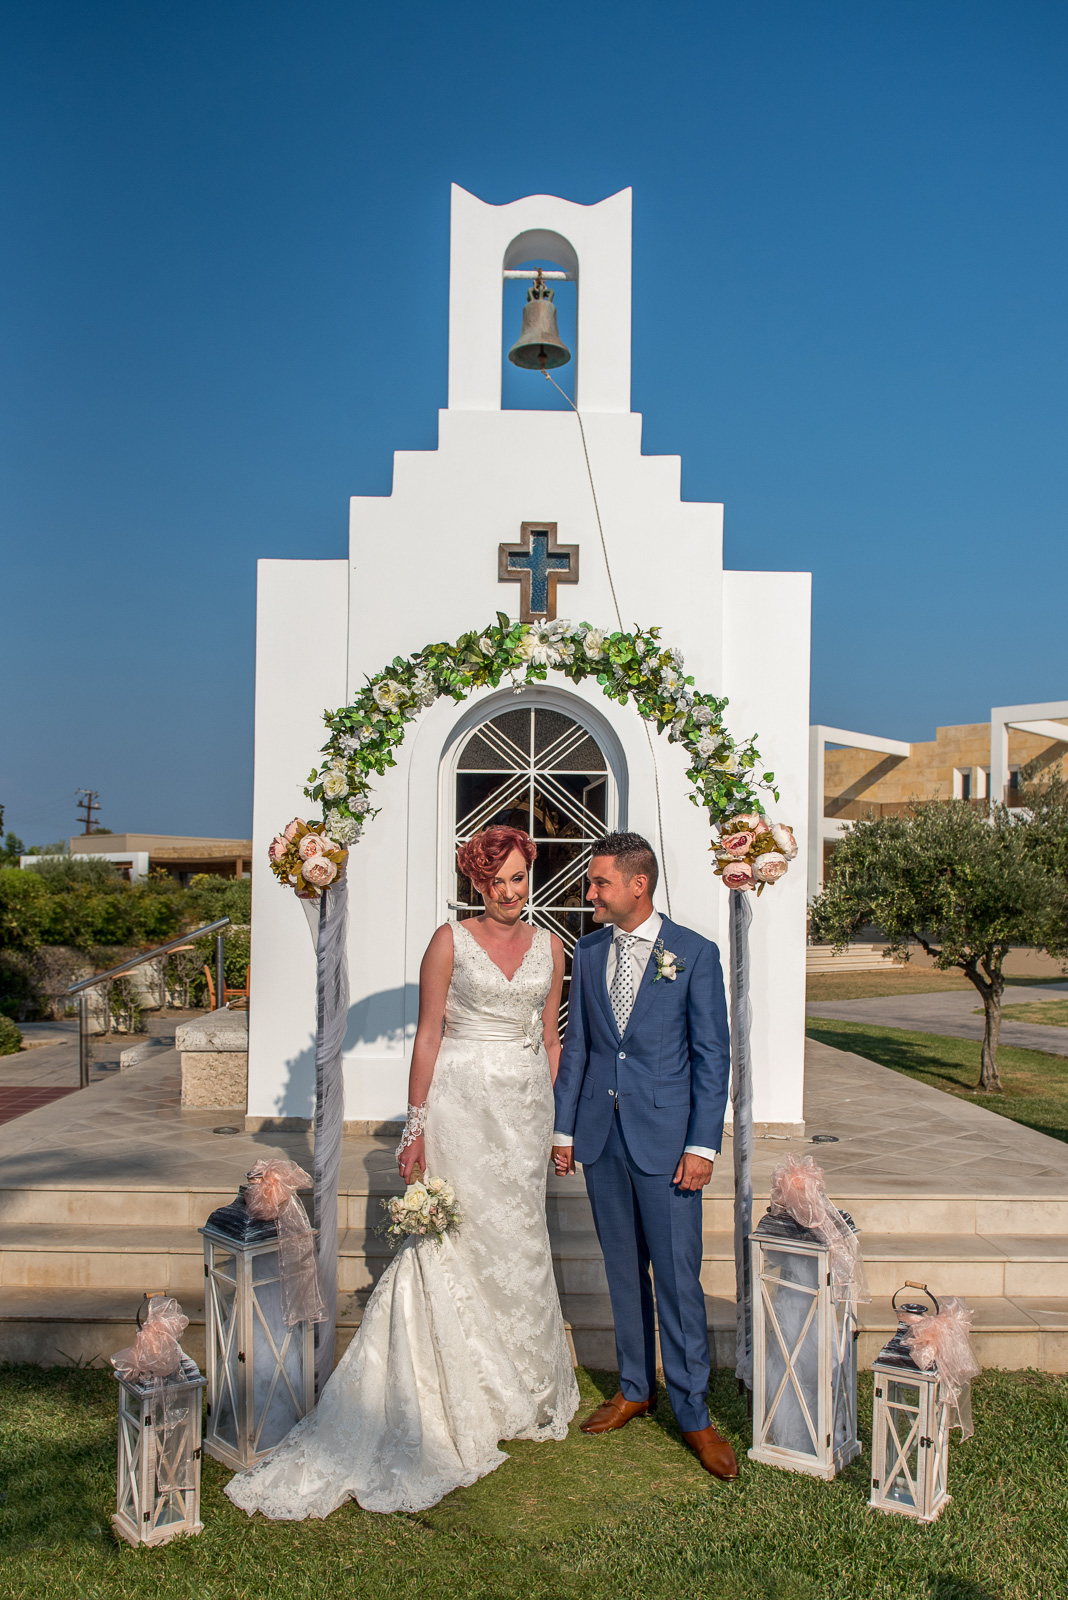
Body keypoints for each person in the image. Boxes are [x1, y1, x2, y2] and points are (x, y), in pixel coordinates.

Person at [225, 825, 578, 1518]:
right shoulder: (449, 942)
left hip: (524, 1111)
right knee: (459, 1235)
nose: (509, 893)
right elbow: (428, 1033)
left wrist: (547, 1107)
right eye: (496, 880)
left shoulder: (552, 947)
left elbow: (550, 1037)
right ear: (475, 883)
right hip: (462, 1106)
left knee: (520, 1242)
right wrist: (416, 1124)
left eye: (517, 878)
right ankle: (459, 1379)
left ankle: (521, 1386)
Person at [551, 831, 738, 1481]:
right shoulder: (590, 947)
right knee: (623, 1273)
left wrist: (702, 1144)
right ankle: (635, 1387)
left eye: (600, 882)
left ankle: (691, 1411)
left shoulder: (693, 953)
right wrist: (564, 1131)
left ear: (638, 884)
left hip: (670, 1147)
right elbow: (581, 1049)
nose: (590, 893)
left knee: (679, 1283)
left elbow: (713, 1057)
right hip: (603, 1141)